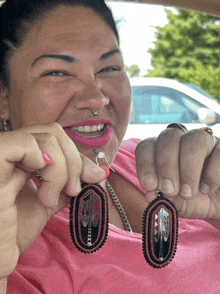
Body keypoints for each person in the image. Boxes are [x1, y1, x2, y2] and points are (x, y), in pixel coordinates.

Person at [0, 0, 220, 293]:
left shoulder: (159, 163)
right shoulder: (13, 225)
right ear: (3, 96)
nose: (96, 98)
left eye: (109, 68)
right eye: (57, 72)